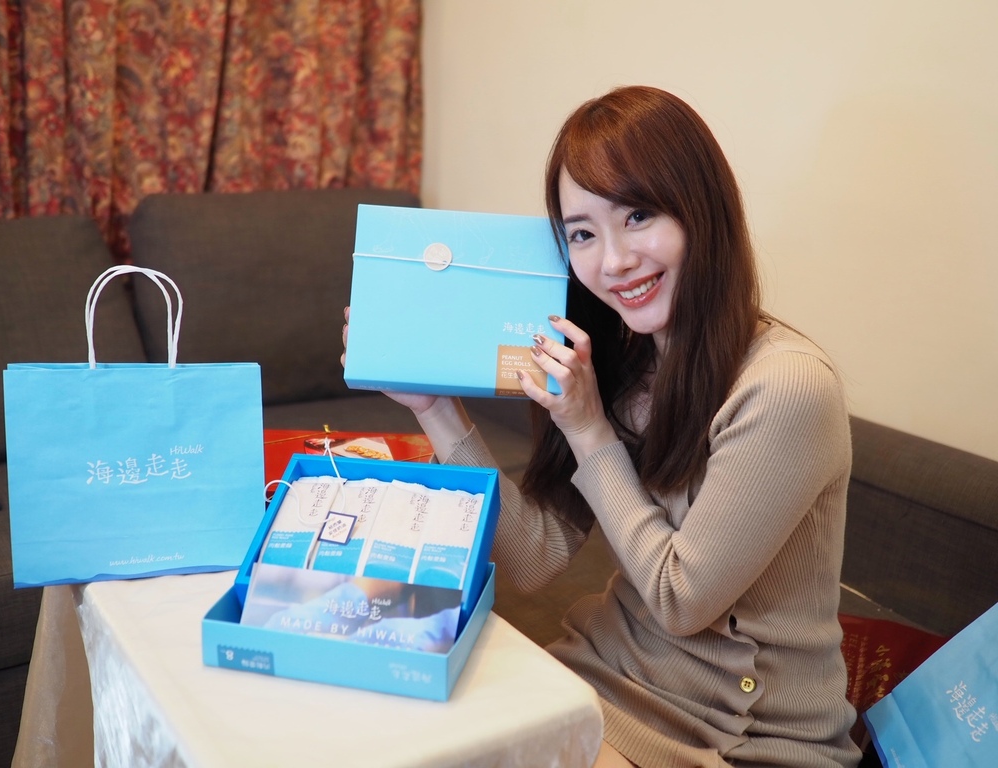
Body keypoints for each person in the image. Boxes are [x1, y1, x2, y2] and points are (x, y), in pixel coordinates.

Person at [341, 85, 863, 768]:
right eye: (583, 233)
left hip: (733, 733)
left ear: (703, 209)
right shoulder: (620, 360)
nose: (613, 261)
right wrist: (434, 407)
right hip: (598, 675)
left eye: (638, 215)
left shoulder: (786, 387)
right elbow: (534, 559)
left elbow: (680, 602)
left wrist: (591, 432)